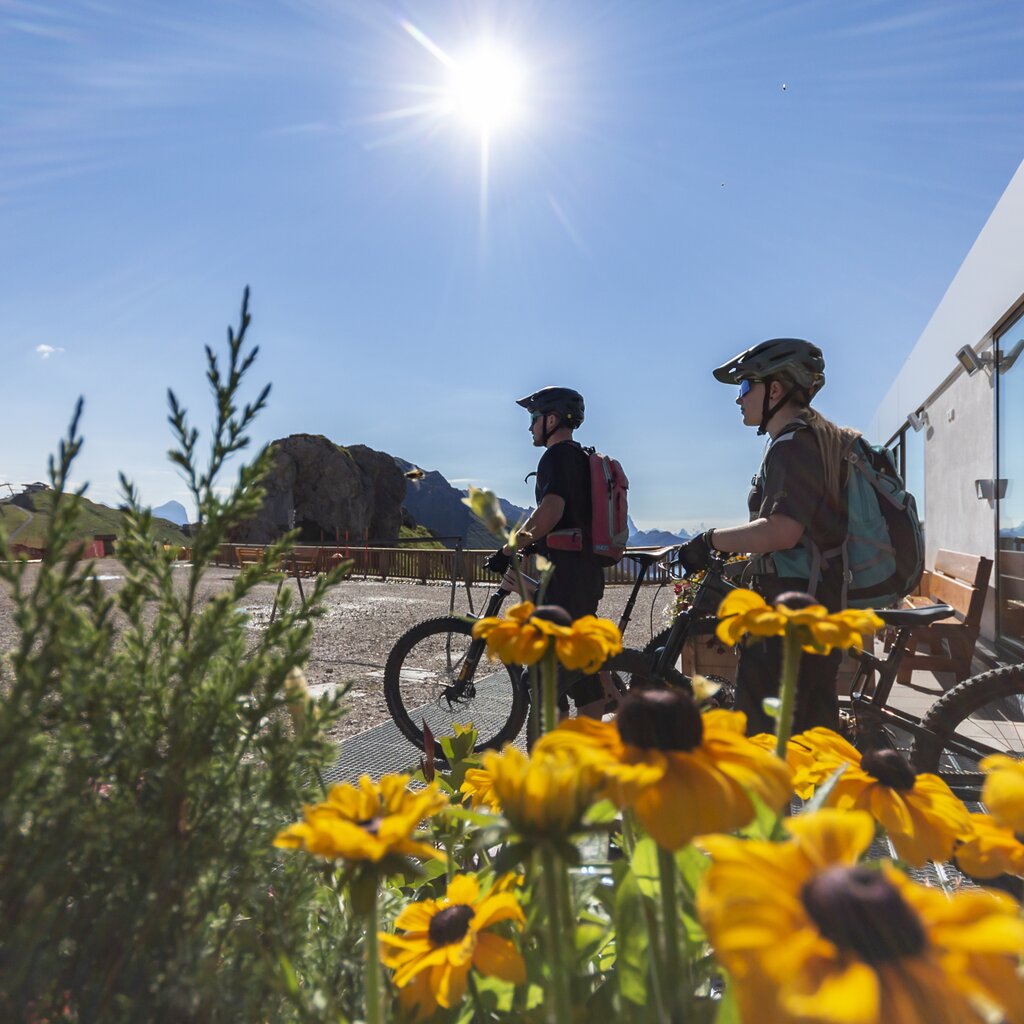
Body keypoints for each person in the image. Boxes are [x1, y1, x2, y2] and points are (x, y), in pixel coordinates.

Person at [678, 339, 858, 735]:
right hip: (811, 610)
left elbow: (782, 530)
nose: (739, 400)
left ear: (774, 390)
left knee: (761, 743)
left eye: (745, 387)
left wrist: (708, 541)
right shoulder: (807, 440)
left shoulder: (793, 447)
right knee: (811, 744)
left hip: (790, 620)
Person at [498, 385, 608, 717]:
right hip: (585, 573)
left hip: (565, 578)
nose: (530, 426)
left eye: (534, 417)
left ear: (552, 419)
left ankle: (551, 756)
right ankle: (587, 751)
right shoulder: (581, 457)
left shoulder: (556, 457)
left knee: (542, 677)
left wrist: (511, 547)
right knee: (581, 676)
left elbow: (551, 510)